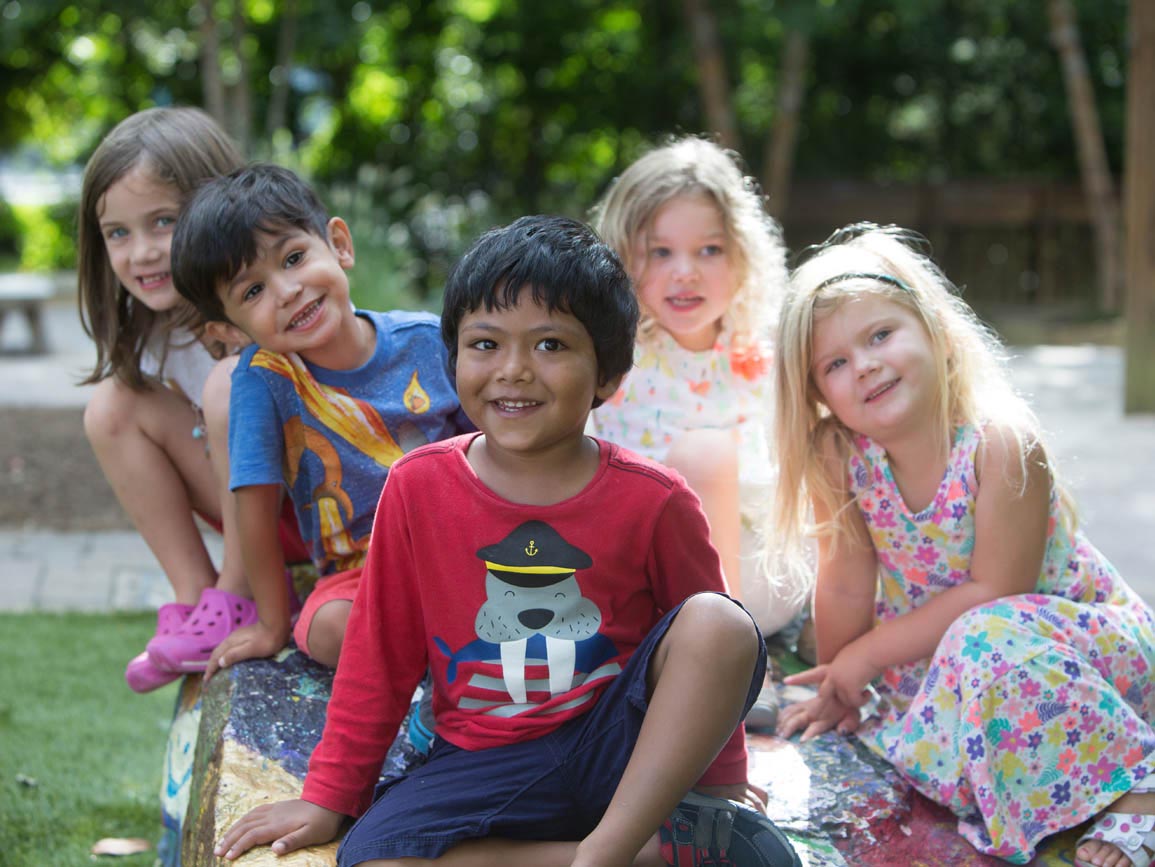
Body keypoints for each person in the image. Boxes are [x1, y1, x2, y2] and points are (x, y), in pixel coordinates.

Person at [211, 215, 801, 867]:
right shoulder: (417, 486)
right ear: (453, 357)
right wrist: (327, 795)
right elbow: (378, 656)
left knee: (720, 619)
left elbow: (712, 658)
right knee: (367, 858)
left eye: (550, 345)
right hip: (483, 761)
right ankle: (636, 856)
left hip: (622, 752)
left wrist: (718, 789)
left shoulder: (653, 499)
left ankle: (616, 846)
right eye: (485, 344)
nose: (513, 370)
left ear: (606, 373)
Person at [772, 222, 1155, 866]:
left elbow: (996, 591)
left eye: (880, 336)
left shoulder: (999, 444)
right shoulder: (841, 454)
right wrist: (843, 682)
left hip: (1082, 659)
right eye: (834, 364)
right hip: (966, 661)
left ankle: (1138, 791)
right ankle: (1049, 785)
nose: (864, 364)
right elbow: (844, 578)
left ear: (937, 333)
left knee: (983, 636)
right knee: (922, 730)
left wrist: (867, 655)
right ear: (819, 397)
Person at [170, 163, 471, 673]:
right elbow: (254, 508)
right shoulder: (263, 382)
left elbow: (496, 448)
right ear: (229, 328)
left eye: (293, 258)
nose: (286, 291)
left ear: (339, 245)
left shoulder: (430, 341)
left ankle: (447, 647)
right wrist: (270, 624)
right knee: (324, 629)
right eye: (252, 292)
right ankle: (446, 657)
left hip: (466, 548)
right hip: (362, 573)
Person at [77, 107, 306, 693]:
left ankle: (237, 594)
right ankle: (198, 597)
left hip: (316, 507)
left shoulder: (263, 304)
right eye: (118, 233)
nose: (142, 253)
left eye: (163, 222)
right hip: (251, 514)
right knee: (111, 406)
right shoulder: (156, 334)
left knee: (232, 382)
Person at [589, 136, 805, 640]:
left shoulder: (767, 354)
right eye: (659, 251)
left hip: (752, 575)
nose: (685, 272)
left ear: (743, 256)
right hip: (638, 574)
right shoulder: (610, 360)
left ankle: (730, 655)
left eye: (709, 250)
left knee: (706, 451)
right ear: (622, 257)